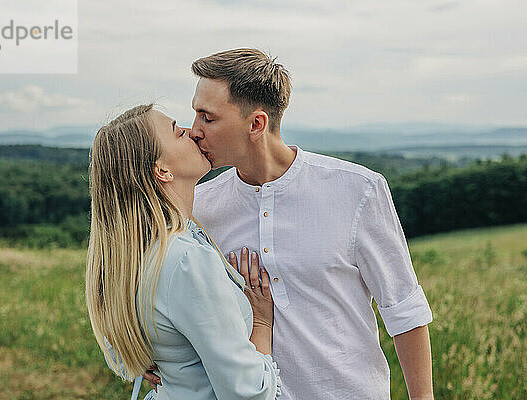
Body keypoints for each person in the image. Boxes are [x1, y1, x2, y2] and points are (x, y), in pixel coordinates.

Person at [147, 48, 434, 400]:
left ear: (256, 124)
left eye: (208, 117)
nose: (194, 130)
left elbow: (404, 309)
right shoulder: (199, 207)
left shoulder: (358, 190)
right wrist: (150, 353)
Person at [85, 104, 282, 399]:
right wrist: (263, 324)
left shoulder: (130, 258)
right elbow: (249, 394)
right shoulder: (187, 261)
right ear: (162, 171)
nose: (193, 132)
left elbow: (122, 347)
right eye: (178, 132)